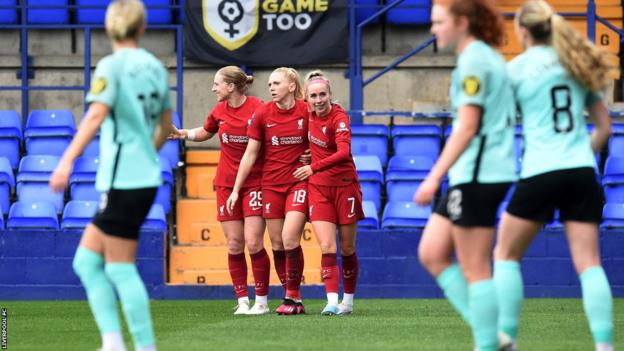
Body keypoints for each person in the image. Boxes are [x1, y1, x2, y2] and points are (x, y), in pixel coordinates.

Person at [493, 1, 616, 350]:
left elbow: (499, 126)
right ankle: (605, 346)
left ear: (524, 31)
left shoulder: (514, 70)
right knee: (590, 263)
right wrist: (577, 154)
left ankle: (507, 338)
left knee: (505, 254)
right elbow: (605, 128)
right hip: (580, 171)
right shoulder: (575, 63)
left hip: (540, 171)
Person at [49, 1, 171, 350]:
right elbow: (165, 125)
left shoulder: (111, 66)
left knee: (118, 268)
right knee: (87, 262)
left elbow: (95, 115)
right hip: (142, 176)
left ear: (109, 28)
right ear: (142, 28)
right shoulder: (154, 67)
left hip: (124, 180)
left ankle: (143, 346)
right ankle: (113, 342)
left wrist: (66, 161)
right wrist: (146, 151)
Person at [414, 0, 517, 350]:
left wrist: (433, 176)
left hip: (478, 174)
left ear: (461, 21)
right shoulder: (484, 57)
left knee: (475, 269)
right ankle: (495, 336)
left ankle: (489, 343)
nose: (433, 29)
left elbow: (468, 126)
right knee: (431, 252)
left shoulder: (474, 60)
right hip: (477, 173)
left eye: (438, 21)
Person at [168, 66, 270, 315]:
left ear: (231, 86)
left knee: (254, 243)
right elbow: (206, 131)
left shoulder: (259, 107)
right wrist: (183, 134)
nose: (213, 88)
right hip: (225, 183)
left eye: (217, 84)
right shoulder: (219, 111)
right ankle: (243, 300)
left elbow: (274, 135)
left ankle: (262, 301)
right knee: (235, 243)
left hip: (254, 182)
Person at [227, 67, 310, 315]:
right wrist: (235, 189)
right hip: (271, 184)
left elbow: (323, 140)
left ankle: (293, 295)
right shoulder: (263, 113)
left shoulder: (307, 110)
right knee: (276, 242)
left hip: (298, 181)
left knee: (289, 237)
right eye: (270, 84)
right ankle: (290, 298)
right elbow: (250, 154)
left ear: (292, 86)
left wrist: (313, 159)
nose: (271, 87)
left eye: (276, 83)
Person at [293, 71, 364, 316]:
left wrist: (312, 165)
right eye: (313, 95)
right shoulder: (305, 113)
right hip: (319, 188)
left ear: (330, 95)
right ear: (307, 98)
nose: (318, 99)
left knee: (347, 247)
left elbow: (343, 153)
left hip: (345, 187)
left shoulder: (339, 117)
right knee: (326, 245)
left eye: (323, 94)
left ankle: (349, 301)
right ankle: (332, 301)